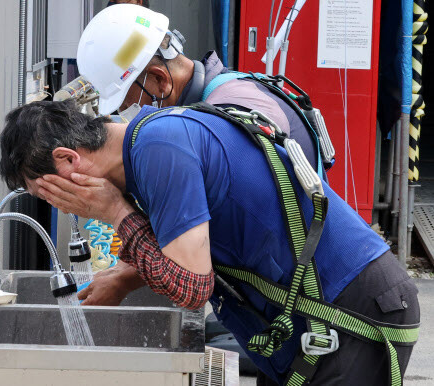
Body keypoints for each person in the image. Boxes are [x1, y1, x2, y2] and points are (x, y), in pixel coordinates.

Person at [0, 99, 419, 386]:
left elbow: (191, 285)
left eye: (48, 193)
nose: (62, 206)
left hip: (352, 307)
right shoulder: (147, 135)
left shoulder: (159, 149)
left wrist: (115, 213)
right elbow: (194, 243)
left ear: (69, 161)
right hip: (318, 319)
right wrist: (127, 277)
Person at [76, 3, 329, 309]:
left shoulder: (230, 111)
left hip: (319, 303)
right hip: (288, 292)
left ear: (160, 79)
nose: (125, 116)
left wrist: (117, 213)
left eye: (126, 102)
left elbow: (204, 260)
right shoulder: (217, 101)